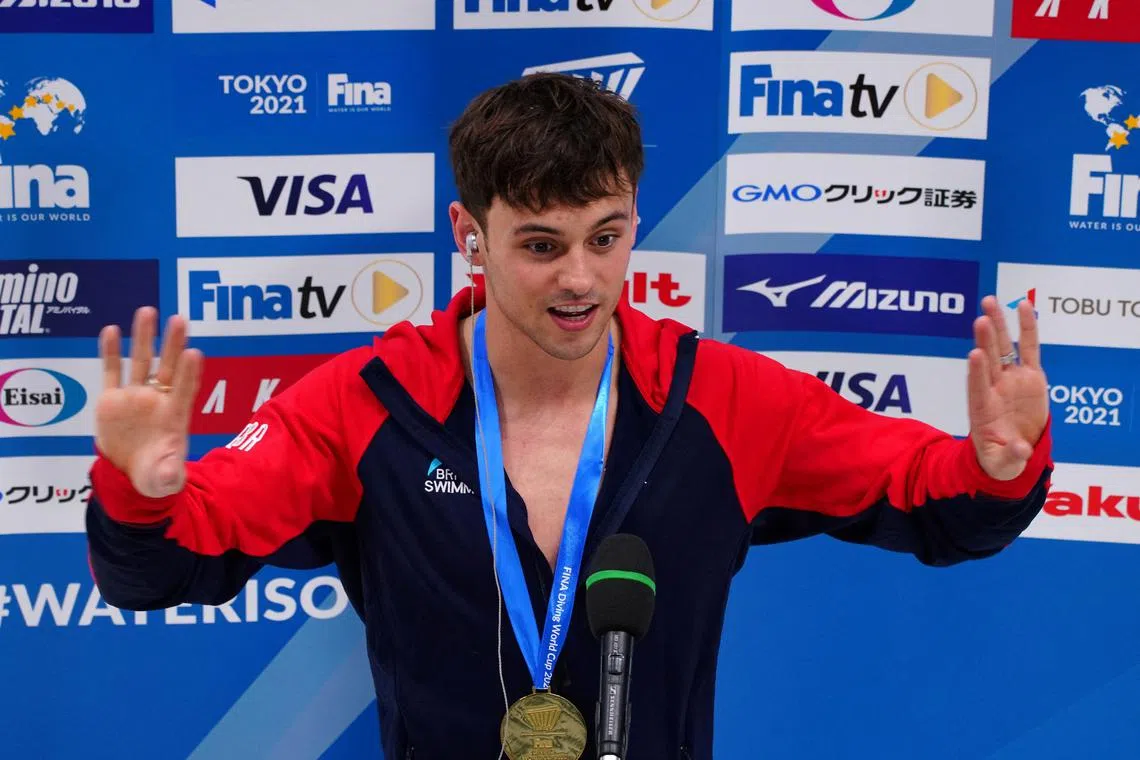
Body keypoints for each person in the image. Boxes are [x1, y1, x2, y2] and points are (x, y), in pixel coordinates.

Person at [85, 73, 1053, 760]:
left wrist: (999, 469)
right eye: (542, 245)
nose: (581, 279)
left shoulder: (724, 397)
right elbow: (159, 570)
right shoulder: (367, 402)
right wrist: (139, 490)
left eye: (607, 237)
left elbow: (938, 508)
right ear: (470, 234)